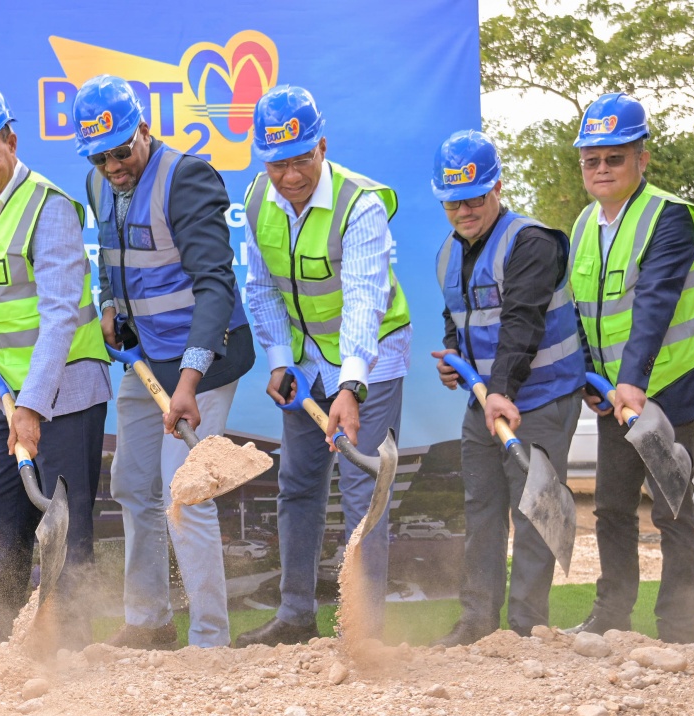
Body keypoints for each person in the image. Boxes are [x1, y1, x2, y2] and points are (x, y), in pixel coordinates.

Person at [73, 75, 254, 649]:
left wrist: (191, 381)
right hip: (147, 358)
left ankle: (209, 638)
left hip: (205, 359)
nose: (112, 164)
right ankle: (149, 621)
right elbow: (110, 257)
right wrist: (108, 304)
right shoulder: (98, 182)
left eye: (121, 150)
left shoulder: (188, 178)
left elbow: (215, 287)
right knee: (131, 482)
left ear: (144, 132)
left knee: (187, 491)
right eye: (99, 155)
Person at [0, 82, 112, 654]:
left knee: (64, 517)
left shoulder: (50, 205)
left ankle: (70, 636)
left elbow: (61, 314)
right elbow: (0, 303)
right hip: (14, 395)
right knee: (4, 510)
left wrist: (34, 405)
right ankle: (6, 631)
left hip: (64, 392)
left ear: (11, 141)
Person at [238, 85, 411, 648]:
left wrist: (351, 384)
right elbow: (262, 288)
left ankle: (363, 629)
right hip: (307, 363)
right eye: (277, 162)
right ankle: (295, 615)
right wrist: (280, 361)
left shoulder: (358, 203)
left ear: (323, 147)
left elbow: (365, 296)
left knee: (363, 488)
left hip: (371, 360)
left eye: (301, 160)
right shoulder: (258, 199)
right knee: (298, 483)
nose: (290, 176)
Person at [566, 93, 694, 644]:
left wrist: (631, 383)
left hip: (670, 389)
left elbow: (655, 303)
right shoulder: (586, 223)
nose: (602, 168)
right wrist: (591, 378)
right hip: (617, 394)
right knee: (611, 508)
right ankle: (612, 615)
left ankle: (680, 626)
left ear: (642, 157)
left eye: (615, 157)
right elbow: (581, 311)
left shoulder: (671, 216)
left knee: (672, 509)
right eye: (593, 159)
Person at [428, 130, 585, 646]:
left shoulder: (532, 242)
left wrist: (501, 389)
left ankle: (526, 626)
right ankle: (477, 621)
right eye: (454, 201)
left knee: (535, 509)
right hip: (486, 405)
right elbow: (459, 320)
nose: (465, 210)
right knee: (482, 511)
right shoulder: (447, 254)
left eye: (475, 197)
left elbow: (522, 323)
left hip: (539, 399)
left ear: (496, 188)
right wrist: (454, 360)